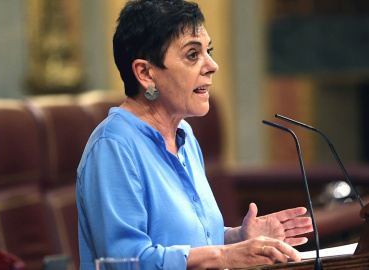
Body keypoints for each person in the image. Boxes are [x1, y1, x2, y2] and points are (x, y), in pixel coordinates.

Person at [76, 0, 314, 269]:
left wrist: (238, 238)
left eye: (208, 51)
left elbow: (188, 242)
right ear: (145, 73)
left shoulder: (185, 135)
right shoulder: (113, 147)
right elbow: (124, 261)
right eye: (193, 55)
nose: (212, 65)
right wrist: (225, 256)